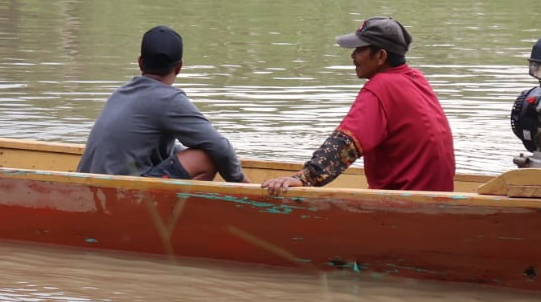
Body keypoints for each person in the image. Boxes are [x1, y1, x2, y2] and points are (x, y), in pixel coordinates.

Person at [263, 17, 455, 194]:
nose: (353, 56)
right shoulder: (417, 79)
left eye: (360, 50)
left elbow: (344, 145)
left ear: (380, 56)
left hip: (405, 205)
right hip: (436, 198)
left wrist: (304, 178)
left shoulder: (380, 88)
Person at [76, 26, 246, 182]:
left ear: (140, 62)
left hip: (90, 186)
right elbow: (220, 148)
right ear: (179, 67)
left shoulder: (121, 93)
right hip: (121, 196)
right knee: (206, 158)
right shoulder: (169, 100)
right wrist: (243, 185)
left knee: (188, 150)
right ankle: (178, 215)